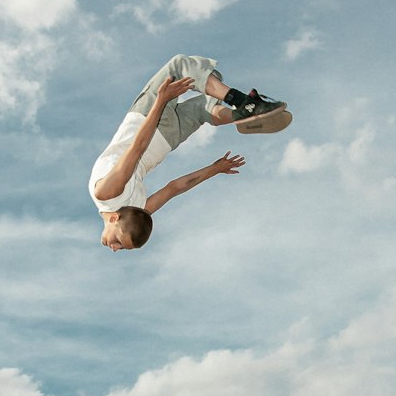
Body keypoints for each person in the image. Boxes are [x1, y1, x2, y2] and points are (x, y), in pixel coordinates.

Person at [89, 54, 292, 251]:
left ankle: (239, 114)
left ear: (115, 218)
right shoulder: (110, 197)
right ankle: (246, 104)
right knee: (180, 67)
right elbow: (139, 149)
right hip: (148, 123)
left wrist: (214, 169)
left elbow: (174, 187)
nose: (114, 248)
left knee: (202, 105)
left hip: (167, 141)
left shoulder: (136, 207)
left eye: (118, 241)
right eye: (122, 247)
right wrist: (160, 101)